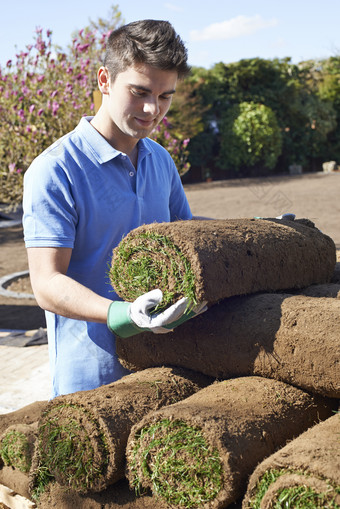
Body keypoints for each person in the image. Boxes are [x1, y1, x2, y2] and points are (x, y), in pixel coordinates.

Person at [23, 19, 207, 399]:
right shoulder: (56, 169)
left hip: (162, 369)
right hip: (91, 379)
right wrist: (121, 313)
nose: (152, 108)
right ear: (105, 80)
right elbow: (46, 283)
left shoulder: (160, 160)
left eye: (165, 96)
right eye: (139, 91)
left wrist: (260, 232)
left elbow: (184, 235)